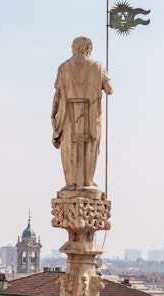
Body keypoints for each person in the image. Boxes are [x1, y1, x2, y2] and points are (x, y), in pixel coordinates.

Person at [52, 37, 113, 190]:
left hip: (67, 119)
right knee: (90, 150)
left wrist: (53, 117)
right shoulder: (97, 66)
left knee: (69, 151)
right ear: (89, 49)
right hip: (91, 118)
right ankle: (86, 182)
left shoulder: (63, 68)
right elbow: (109, 89)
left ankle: (71, 183)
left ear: (73, 48)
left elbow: (57, 96)